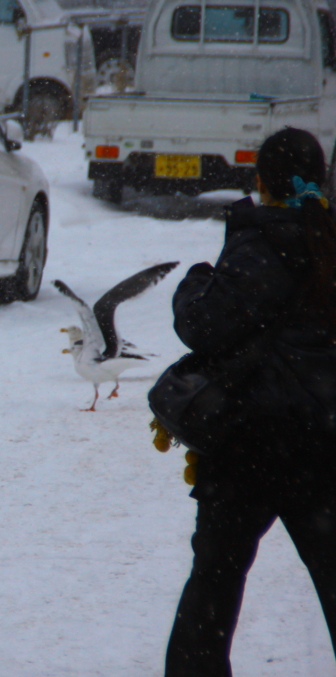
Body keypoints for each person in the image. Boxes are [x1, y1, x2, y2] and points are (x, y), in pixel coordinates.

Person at [164, 126, 336, 675]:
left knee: (213, 588)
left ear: (261, 181)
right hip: (324, 445)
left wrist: (196, 280)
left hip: (248, 444)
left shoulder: (260, 243)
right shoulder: (325, 238)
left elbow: (202, 325)